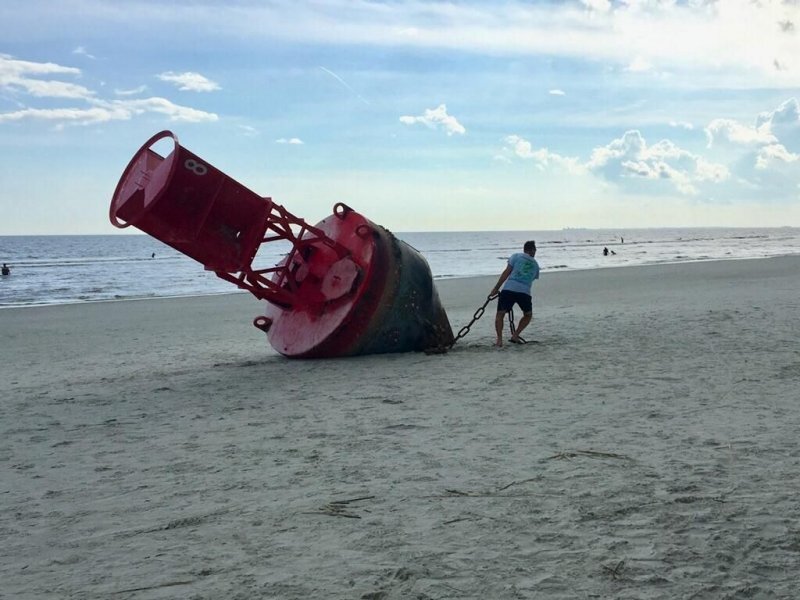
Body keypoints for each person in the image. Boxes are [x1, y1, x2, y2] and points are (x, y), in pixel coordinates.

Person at [490, 241, 539, 347]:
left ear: (524, 249)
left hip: (509, 289)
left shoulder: (516, 256)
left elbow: (506, 273)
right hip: (524, 292)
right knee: (528, 315)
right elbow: (532, 278)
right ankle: (515, 335)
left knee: (500, 314)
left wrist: (496, 288)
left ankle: (499, 340)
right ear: (533, 250)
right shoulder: (535, 265)